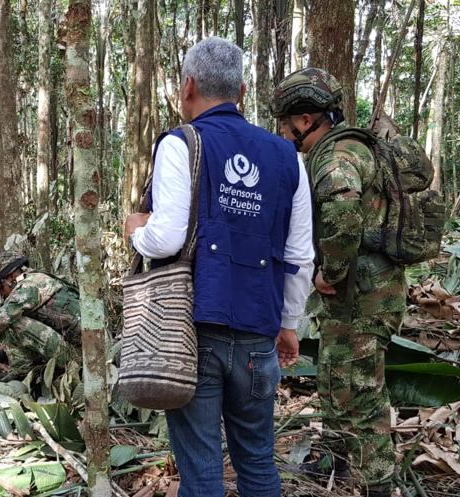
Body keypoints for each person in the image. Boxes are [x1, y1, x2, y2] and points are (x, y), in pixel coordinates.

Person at [123, 37, 314, 497]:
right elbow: (300, 256)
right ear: (243, 91)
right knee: (258, 464)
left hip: (194, 335)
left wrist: (135, 230)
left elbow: (165, 237)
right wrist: (289, 324)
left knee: (203, 475)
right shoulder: (288, 157)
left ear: (187, 86)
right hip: (257, 336)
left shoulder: (180, 144)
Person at [270, 67, 403, 497]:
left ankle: (378, 483)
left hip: (364, 296)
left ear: (306, 119)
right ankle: (337, 463)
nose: (285, 132)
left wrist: (331, 271)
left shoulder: (336, 156)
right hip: (361, 296)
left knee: (361, 396)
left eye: (287, 122)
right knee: (337, 383)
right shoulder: (350, 147)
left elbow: (344, 212)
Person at [0, 252, 81, 373]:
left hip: (79, 358)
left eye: (1, 289)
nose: (3, 295)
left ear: (10, 277)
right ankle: (22, 369)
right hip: (85, 351)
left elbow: (3, 317)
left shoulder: (28, 286)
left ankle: (21, 372)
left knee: (14, 320)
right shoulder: (39, 278)